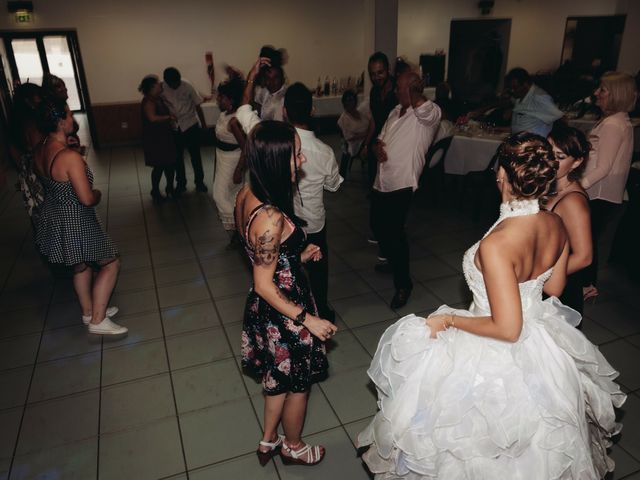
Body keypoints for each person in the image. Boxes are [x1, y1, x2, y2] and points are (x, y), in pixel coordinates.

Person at [359, 132, 625, 479]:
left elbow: (507, 328)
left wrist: (451, 320)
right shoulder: (555, 222)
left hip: (497, 346)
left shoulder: (498, 244)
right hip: (541, 340)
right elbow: (556, 285)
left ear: (501, 173)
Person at [234, 119, 338, 467]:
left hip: (266, 309)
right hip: (284, 312)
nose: (303, 161)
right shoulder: (271, 217)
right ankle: (292, 446)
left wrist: (298, 254)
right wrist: (309, 320)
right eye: (296, 155)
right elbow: (265, 283)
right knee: (299, 384)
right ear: (278, 162)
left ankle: (267, 441)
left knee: (276, 378)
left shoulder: (247, 194)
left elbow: (264, 258)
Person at [33, 99, 126, 335]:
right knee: (110, 263)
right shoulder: (68, 157)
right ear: (61, 121)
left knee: (81, 267)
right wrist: (98, 193)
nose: (71, 117)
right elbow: (86, 198)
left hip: (56, 216)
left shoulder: (41, 148)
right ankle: (98, 320)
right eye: (68, 114)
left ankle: (88, 312)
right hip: (76, 218)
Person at [370, 71, 441, 309]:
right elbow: (380, 138)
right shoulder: (394, 111)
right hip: (383, 180)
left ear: (414, 89)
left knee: (394, 234)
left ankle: (404, 285)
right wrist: (377, 147)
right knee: (378, 227)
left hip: (402, 182)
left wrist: (416, 92)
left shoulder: (428, 113)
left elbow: (427, 112)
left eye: (401, 88)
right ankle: (392, 260)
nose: (396, 92)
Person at [284, 82, 343, 322]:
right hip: (314, 222)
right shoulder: (323, 151)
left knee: (290, 268)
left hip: (286, 224)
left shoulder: (280, 146)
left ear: (285, 111)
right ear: (312, 110)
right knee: (318, 272)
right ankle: (320, 310)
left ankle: (292, 311)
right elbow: (333, 185)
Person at [581, 71, 637, 301]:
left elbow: (603, 168)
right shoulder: (618, 120)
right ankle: (587, 284)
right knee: (589, 239)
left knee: (586, 240)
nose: (596, 93)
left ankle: (585, 285)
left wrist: (577, 187)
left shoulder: (613, 124)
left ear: (616, 94)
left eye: (602, 90)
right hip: (604, 192)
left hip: (599, 193)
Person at [545, 126, 592, 315]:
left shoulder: (573, 201)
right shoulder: (551, 185)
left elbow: (584, 257)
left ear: (576, 162)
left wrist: (537, 276)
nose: (550, 161)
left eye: (560, 156)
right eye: (548, 152)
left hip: (559, 288)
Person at [161, 67, 208, 194]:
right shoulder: (162, 88)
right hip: (175, 127)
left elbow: (198, 105)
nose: (175, 86)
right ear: (166, 81)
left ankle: (200, 182)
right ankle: (181, 184)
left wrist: (203, 124)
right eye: (172, 84)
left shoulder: (187, 86)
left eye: (177, 83)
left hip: (190, 124)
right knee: (178, 158)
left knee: (195, 156)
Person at [212, 76, 247, 245]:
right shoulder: (224, 114)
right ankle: (238, 231)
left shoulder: (234, 121)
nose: (218, 99)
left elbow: (246, 147)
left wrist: (239, 170)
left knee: (219, 196)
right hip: (222, 158)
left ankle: (239, 229)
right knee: (232, 196)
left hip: (232, 161)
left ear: (231, 100)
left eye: (221, 97)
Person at [7, 83, 46, 228]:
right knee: (45, 209)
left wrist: (23, 171)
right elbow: (39, 150)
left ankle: (44, 241)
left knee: (36, 210)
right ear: (28, 100)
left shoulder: (15, 121)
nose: (41, 99)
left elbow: (14, 152)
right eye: (38, 96)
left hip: (27, 172)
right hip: (37, 171)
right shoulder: (32, 122)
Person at [138, 75, 176, 203]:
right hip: (156, 139)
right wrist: (169, 118)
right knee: (160, 166)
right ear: (152, 87)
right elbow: (152, 118)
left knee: (170, 164)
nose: (161, 85)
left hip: (164, 137)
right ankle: (155, 191)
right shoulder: (149, 101)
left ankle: (169, 188)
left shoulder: (157, 98)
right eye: (158, 84)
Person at [363, 52, 398, 190]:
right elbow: (374, 120)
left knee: (391, 186)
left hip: (394, 144)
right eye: (372, 74)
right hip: (376, 143)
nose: (376, 77)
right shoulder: (374, 92)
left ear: (388, 69)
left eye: (380, 72)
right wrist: (366, 145)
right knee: (374, 182)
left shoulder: (399, 90)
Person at [506, 67, 563, 137]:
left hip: (533, 143)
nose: (512, 91)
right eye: (510, 88)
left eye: (515, 87)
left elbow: (560, 118)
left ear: (525, 84)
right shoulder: (519, 96)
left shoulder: (539, 97)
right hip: (518, 140)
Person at [41, 74, 84, 153]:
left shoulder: (63, 105)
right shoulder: (54, 110)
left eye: (64, 86)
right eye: (59, 87)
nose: (65, 89)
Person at [337, 89, 373, 179]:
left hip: (367, 138)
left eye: (352, 100)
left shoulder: (360, 113)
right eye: (348, 100)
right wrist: (367, 134)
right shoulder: (343, 119)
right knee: (373, 146)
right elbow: (349, 138)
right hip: (355, 144)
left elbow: (370, 124)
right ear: (344, 103)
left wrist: (369, 133)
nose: (350, 103)